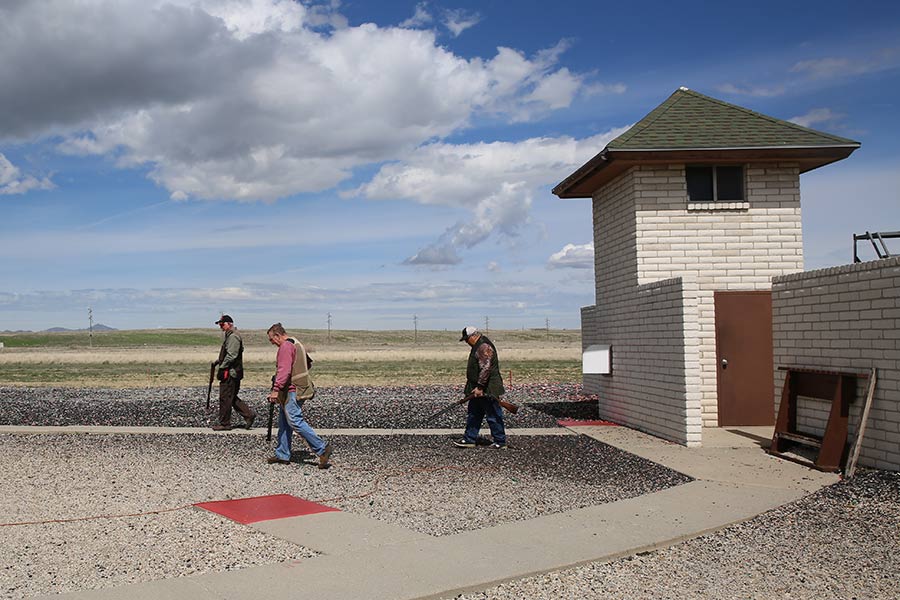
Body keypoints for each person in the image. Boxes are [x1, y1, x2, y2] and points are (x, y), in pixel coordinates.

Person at [265, 323, 332, 469]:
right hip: (298, 387)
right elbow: (308, 363)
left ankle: (322, 448)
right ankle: (282, 454)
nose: (272, 343)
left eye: (271, 339)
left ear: (277, 335)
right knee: (284, 421)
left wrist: (276, 389)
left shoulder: (285, 347)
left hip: (292, 389)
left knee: (294, 421)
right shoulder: (296, 342)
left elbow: (284, 370)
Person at [454, 326, 507, 449]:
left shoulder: (483, 346)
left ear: (473, 336)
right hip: (478, 388)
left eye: (467, 339)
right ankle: (469, 439)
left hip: (487, 388)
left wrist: (480, 387)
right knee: (474, 414)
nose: (467, 342)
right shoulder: (478, 345)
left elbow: (486, 369)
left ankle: (500, 441)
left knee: (493, 415)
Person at [211, 314, 256, 431]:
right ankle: (249, 415)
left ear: (229, 324)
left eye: (222, 324)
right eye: (220, 324)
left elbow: (232, 355)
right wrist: (218, 361)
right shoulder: (231, 336)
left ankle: (225, 424)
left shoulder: (233, 337)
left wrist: (222, 366)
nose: (221, 327)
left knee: (225, 398)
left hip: (230, 372)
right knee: (231, 397)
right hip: (232, 371)